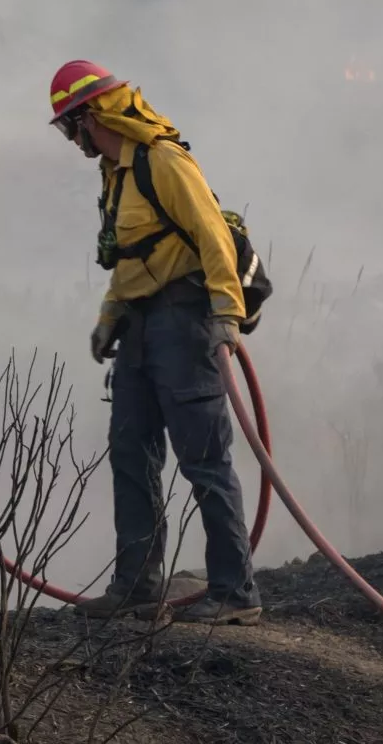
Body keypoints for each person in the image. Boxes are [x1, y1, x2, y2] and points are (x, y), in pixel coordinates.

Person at [47, 60, 261, 626]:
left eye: (72, 127)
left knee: (204, 458)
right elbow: (129, 256)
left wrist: (225, 313)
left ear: (93, 116)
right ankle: (137, 584)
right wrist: (110, 315)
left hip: (185, 320)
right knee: (130, 451)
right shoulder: (115, 175)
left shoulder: (163, 160)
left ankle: (234, 592)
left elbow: (212, 233)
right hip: (141, 325)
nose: (74, 141)